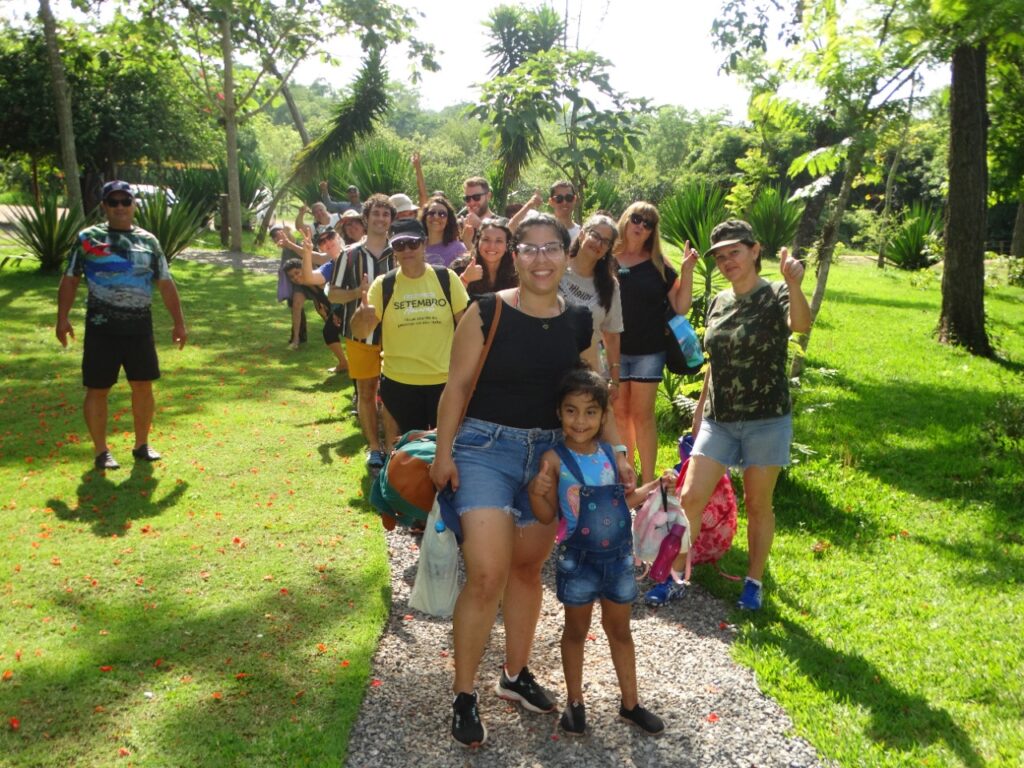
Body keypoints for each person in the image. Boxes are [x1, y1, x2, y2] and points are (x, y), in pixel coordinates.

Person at [429, 213, 636, 749]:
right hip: (484, 451)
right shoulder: (485, 310)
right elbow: (455, 389)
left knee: (526, 569)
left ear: (567, 256)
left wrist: (616, 452)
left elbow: (596, 392)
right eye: (530, 248)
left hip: (550, 454)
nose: (541, 258)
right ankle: (464, 695)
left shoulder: (578, 320)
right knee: (486, 573)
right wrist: (443, 454)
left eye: (552, 248)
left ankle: (515, 674)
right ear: (514, 255)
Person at [643, 219, 811, 610]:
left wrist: (797, 284)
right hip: (719, 420)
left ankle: (753, 581)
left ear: (755, 251)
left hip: (766, 418)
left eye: (734, 252)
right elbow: (714, 363)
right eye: (719, 256)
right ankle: (678, 576)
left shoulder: (777, 294)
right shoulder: (719, 301)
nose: (726, 261)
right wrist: (700, 412)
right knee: (689, 496)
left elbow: (800, 325)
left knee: (758, 504)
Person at [528, 366, 671, 736]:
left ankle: (631, 704)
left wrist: (657, 484)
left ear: (604, 415)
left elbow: (626, 501)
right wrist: (537, 492)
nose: (580, 420)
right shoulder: (554, 460)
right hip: (578, 562)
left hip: (618, 562)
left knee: (620, 630)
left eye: (591, 412)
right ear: (559, 412)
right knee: (576, 630)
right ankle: (575, 704)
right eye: (571, 410)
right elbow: (546, 517)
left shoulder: (611, 455)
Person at [55, 180, 187, 470]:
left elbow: (165, 282)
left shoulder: (148, 241)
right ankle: (101, 451)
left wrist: (179, 323)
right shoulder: (88, 238)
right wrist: (62, 318)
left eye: (124, 201)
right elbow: (70, 279)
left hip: (139, 328)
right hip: (101, 328)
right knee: (97, 388)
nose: (119, 207)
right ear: (104, 206)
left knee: (142, 385)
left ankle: (142, 444)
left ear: (134, 204)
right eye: (112, 202)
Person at [302, 194, 395, 474]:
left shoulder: (401, 252)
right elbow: (336, 296)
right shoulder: (349, 255)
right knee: (366, 391)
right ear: (366, 219)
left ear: (391, 220)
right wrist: (359, 292)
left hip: (395, 336)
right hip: (359, 336)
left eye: (386, 214)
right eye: (375, 214)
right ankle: (374, 449)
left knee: (391, 393)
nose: (381, 219)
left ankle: (392, 447)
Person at [350, 219, 469, 434]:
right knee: (406, 450)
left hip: (444, 380)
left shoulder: (446, 278)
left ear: (424, 243)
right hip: (399, 382)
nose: (406, 250)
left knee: (445, 446)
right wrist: (361, 317)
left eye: (413, 243)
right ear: (393, 249)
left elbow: (466, 328)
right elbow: (360, 332)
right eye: (399, 245)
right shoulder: (383, 284)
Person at [613, 202, 697, 484]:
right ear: (626, 219)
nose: (640, 226)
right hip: (613, 348)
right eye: (636, 219)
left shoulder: (658, 263)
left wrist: (687, 271)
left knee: (643, 415)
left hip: (648, 350)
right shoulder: (608, 257)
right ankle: (629, 478)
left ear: (653, 231)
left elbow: (681, 306)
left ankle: (648, 482)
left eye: (648, 223)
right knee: (620, 413)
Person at [560, 214, 622, 392]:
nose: (598, 243)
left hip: (588, 372)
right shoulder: (556, 267)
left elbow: (612, 334)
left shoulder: (610, 286)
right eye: (595, 235)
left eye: (606, 241)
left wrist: (614, 381)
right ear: (581, 234)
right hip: (548, 362)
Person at [282, 253, 348, 375]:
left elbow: (334, 294)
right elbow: (317, 300)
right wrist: (325, 314)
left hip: (344, 305)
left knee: (346, 334)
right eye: (292, 277)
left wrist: (334, 312)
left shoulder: (318, 280)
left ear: (304, 269)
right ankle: (344, 363)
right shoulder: (304, 285)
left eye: (297, 272)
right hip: (334, 309)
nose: (295, 278)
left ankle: (352, 364)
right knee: (329, 332)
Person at [449, 217, 517, 301]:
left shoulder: (515, 273)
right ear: (477, 242)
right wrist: (464, 280)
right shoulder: (460, 267)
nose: (492, 246)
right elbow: (445, 302)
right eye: (486, 239)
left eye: (499, 241)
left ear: (507, 246)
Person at [510, 181, 581, 243]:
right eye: (559, 198)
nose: (564, 202)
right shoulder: (542, 227)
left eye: (569, 198)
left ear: (574, 199)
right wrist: (530, 204)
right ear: (551, 201)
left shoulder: (581, 233)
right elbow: (512, 226)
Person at [420, 195, 467, 267]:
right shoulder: (415, 247)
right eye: (431, 213)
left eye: (442, 214)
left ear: (448, 220)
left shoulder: (458, 249)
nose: (436, 216)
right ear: (425, 218)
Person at [458, 176, 496, 249]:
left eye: (476, 197)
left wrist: (480, 225)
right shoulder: (461, 225)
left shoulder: (502, 223)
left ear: (488, 196)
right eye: (467, 198)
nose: (472, 203)